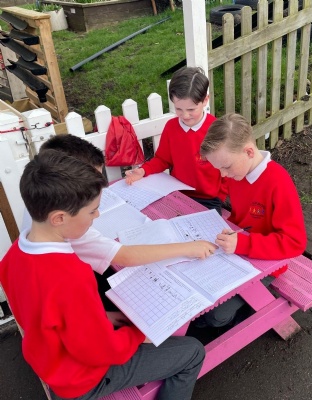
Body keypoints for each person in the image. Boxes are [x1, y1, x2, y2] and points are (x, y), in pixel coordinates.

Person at [0, 150, 205, 400]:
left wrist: (104, 317)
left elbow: (47, 315)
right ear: (59, 218)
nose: (97, 216)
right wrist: (139, 334)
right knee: (193, 352)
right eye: (91, 211)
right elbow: (101, 351)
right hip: (81, 379)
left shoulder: (13, 255)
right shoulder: (70, 275)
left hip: (49, 359)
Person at [37, 134, 217, 325]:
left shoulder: (44, 205)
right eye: (92, 185)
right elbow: (126, 256)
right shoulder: (70, 229)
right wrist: (188, 247)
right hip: (84, 315)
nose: (99, 190)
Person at [196, 113, 307, 328]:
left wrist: (244, 244)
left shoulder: (278, 182)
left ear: (248, 152)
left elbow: (295, 243)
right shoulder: (238, 172)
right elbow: (241, 218)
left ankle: (253, 313)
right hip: (236, 252)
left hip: (268, 263)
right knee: (200, 302)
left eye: (226, 167)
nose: (223, 175)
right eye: (218, 168)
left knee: (215, 317)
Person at [125, 66, 227, 214]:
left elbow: (227, 166)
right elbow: (162, 159)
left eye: (191, 109)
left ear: (205, 100)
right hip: (177, 193)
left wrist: (221, 196)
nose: (185, 115)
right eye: (178, 109)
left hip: (209, 199)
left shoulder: (216, 129)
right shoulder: (171, 127)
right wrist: (143, 170)